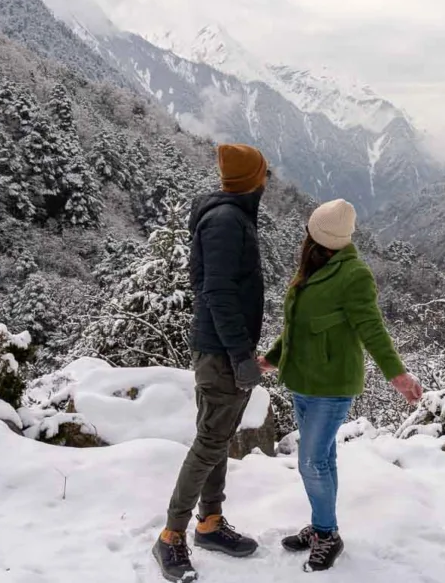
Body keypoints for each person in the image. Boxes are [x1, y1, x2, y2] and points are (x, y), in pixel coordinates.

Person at [259, 198, 424, 573]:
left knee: (311, 462)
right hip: (302, 379)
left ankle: (327, 535)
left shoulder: (354, 275)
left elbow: (372, 328)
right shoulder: (314, 267)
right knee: (324, 458)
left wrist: (396, 374)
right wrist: (271, 359)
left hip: (332, 384)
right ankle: (322, 527)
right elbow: (296, 326)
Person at [153, 144, 270, 583]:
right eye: (264, 173)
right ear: (251, 179)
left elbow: (210, 284)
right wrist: (241, 354)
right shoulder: (226, 220)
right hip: (221, 351)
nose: (268, 179)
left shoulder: (230, 214)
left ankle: (210, 522)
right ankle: (170, 536)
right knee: (209, 443)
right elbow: (216, 291)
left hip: (219, 347)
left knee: (216, 438)